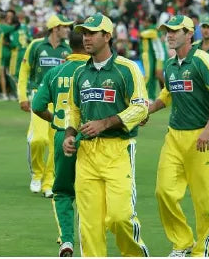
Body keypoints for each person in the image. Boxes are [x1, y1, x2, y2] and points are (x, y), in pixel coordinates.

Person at [62, 13, 150, 257]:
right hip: (86, 155)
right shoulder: (80, 73)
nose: (86, 38)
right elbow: (73, 109)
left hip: (118, 151)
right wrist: (69, 134)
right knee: (89, 225)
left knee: (121, 218)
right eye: (84, 33)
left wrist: (105, 123)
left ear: (107, 36)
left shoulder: (127, 69)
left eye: (92, 33)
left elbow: (141, 107)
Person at [145, 15, 209, 257]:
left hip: (202, 138)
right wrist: (149, 110)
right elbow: (167, 93)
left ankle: (202, 250)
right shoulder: (171, 64)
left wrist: (208, 130)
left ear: (189, 34)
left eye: (175, 31)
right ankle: (182, 242)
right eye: (167, 31)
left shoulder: (203, 61)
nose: (169, 35)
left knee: (205, 205)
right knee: (163, 192)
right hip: (174, 137)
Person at [32, 28, 89, 257]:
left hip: (62, 136)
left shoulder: (55, 72)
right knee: (90, 190)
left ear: (69, 47)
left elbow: (37, 106)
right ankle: (90, 237)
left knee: (63, 191)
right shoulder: (92, 70)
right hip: (91, 136)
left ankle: (66, 239)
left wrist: (56, 120)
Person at [18, 14, 73, 196]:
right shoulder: (36, 46)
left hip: (60, 100)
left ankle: (48, 183)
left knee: (55, 142)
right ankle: (36, 174)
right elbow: (24, 71)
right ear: (55, 28)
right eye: (65, 26)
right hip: (38, 97)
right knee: (38, 139)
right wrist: (22, 97)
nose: (68, 29)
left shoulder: (69, 49)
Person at [138, 15, 167, 100]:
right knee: (156, 76)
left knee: (157, 75)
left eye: (146, 21)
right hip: (156, 56)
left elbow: (140, 35)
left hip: (159, 56)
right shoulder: (155, 30)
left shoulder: (152, 30)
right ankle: (162, 95)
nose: (144, 23)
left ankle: (172, 92)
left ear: (150, 22)